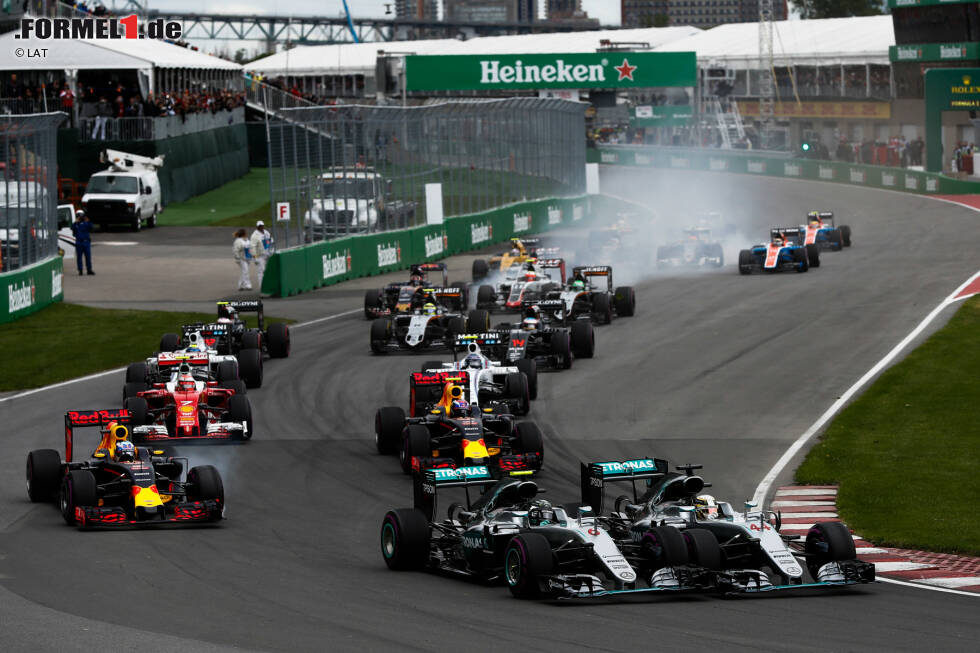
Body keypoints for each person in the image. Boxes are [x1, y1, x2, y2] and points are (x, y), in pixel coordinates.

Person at [250, 220, 274, 290]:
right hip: (260, 256)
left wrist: (271, 249)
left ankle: (268, 286)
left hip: (268, 254)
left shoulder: (266, 232)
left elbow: (270, 241)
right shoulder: (254, 235)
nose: (261, 227)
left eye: (262, 226)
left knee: (268, 271)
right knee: (261, 271)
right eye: (259, 226)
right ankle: (262, 288)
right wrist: (255, 257)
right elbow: (252, 247)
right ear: (257, 227)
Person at [71, 210, 94, 275]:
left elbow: (91, 228)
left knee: (88, 257)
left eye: (81, 216)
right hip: (79, 242)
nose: (80, 217)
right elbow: (72, 228)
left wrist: (88, 221)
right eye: (79, 216)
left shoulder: (86, 223)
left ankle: (89, 270)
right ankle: (80, 270)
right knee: (79, 257)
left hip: (86, 242)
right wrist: (76, 222)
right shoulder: (76, 224)